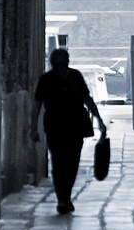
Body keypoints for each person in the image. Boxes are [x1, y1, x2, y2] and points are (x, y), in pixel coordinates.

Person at [32, 48, 107, 213]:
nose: (60, 68)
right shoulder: (46, 79)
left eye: (63, 64)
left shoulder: (76, 77)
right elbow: (37, 104)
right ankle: (62, 199)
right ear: (53, 64)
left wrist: (99, 119)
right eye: (57, 65)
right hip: (54, 127)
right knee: (58, 163)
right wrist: (33, 128)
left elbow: (87, 99)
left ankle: (66, 196)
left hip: (76, 126)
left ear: (67, 63)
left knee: (72, 163)